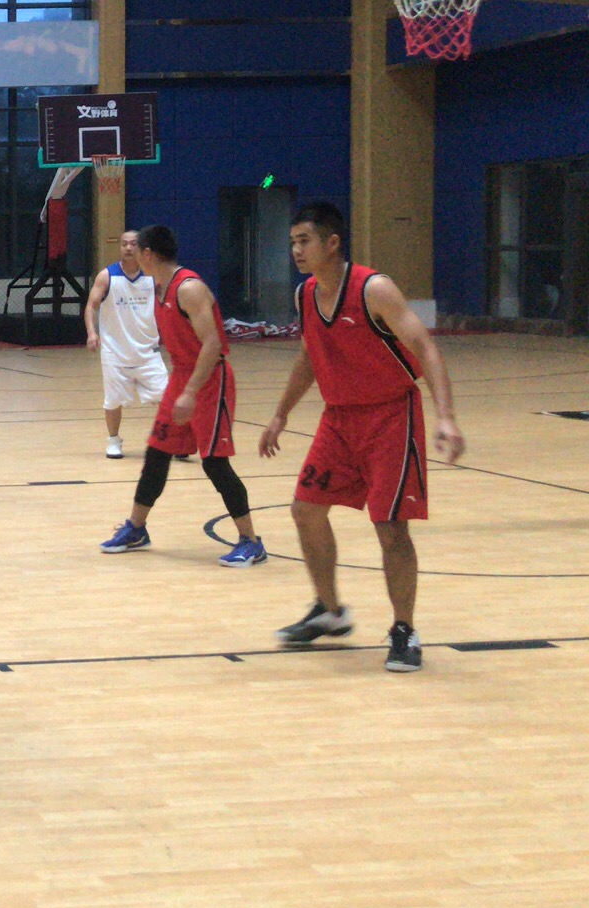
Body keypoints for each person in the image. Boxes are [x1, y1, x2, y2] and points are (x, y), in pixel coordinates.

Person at [259, 203, 465, 672]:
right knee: (305, 509)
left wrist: (446, 417)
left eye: (304, 241)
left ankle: (404, 630)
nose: (296, 250)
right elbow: (310, 356)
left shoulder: (374, 289)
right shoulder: (305, 295)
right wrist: (280, 414)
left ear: (332, 243)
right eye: (292, 242)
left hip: (390, 416)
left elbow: (425, 348)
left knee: (391, 527)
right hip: (339, 420)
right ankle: (330, 612)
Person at [99, 225, 266, 565]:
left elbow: (213, 344)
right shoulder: (157, 287)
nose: (133, 254)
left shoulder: (188, 288)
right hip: (181, 376)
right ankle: (136, 528)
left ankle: (251, 541)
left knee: (215, 463)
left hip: (209, 380)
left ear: (148, 254)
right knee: (157, 453)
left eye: (137, 249)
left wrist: (190, 392)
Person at [85, 229, 170, 460]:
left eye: (133, 244)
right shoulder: (107, 276)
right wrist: (92, 332)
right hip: (115, 351)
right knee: (113, 400)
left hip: (147, 351)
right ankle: (114, 441)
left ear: (142, 248)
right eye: (124, 244)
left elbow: (168, 304)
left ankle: (170, 439)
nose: (128, 248)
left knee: (167, 396)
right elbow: (91, 306)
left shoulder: (153, 276)